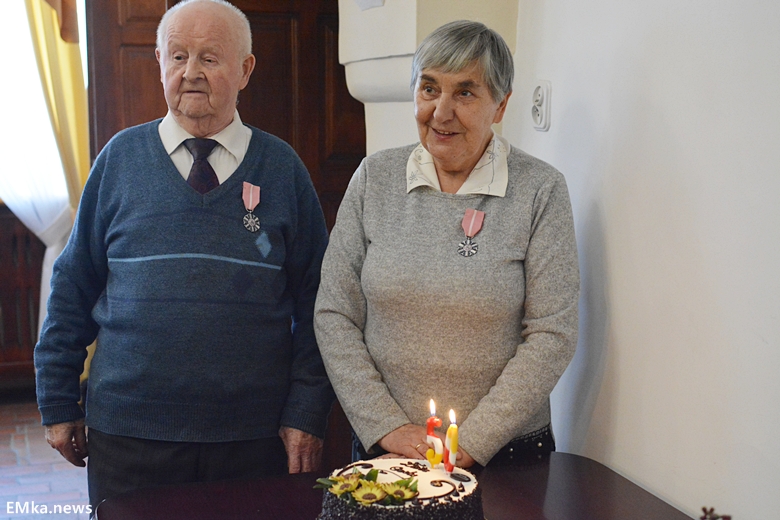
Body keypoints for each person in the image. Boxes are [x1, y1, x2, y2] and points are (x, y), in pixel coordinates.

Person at [34, 0, 333, 508]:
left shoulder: (282, 170)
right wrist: (58, 400)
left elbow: (319, 304)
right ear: (159, 62)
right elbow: (72, 285)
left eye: (210, 58)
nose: (190, 73)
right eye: (177, 57)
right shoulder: (119, 161)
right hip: (129, 437)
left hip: (251, 439)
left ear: (245, 69)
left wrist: (306, 411)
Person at [314, 20, 579, 468]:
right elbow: (334, 313)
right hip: (390, 450)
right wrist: (387, 426)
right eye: (429, 88)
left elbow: (553, 333)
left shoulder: (540, 191)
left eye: (466, 92)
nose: (441, 112)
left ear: (501, 105)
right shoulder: (374, 178)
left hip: (505, 456)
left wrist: (470, 443)